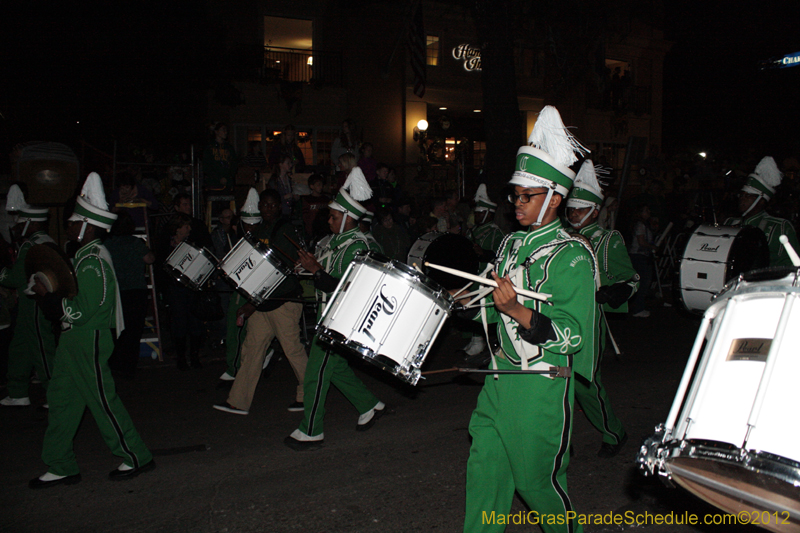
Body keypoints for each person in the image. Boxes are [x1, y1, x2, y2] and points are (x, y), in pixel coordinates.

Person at [462, 106, 595, 533]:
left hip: (540, 387)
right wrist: (467, 299)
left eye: (526, 196)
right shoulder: (509, 244)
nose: (515, 204)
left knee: (537, 486)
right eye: (514, 195)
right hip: (499, 381)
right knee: (484, 479)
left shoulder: (571, 255)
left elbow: (573, 335)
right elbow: (490, 307)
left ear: (554, 198)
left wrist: (517, 310)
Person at [30, 172, 154, 488]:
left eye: (74, 222)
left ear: (87, 225)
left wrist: (50, 297)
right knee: (61, 400)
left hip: (88, 338)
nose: (69, 227)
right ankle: (60, 463)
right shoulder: (84, 257)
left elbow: (83, 310)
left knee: (101, 400)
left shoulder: (93, 261)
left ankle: (136, 454)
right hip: (74, 340)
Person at [285, 166, 386, 451]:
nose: (328, 220)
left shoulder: (359, 248)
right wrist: (307, 268)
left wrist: (315, 270)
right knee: (337, 369)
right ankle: (369, 405)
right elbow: (322, 275)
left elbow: (344, 289)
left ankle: (312, 429)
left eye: (333, 216)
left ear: (347, 219)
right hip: (327, 316)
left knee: (315, 373)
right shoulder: (335, 242)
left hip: (340, 321)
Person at [566, 160, 639, 458]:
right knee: (556, 380)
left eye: (580, 210)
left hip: (590, 317)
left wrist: (616, 289)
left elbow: (631, 279)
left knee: (584, 382)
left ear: (595, 211)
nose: (573, 214)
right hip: (559, 314)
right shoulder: (560, 237)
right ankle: (559, 439)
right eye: (571, 209)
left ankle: (614, 431)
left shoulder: (609, 240)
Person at [213, 188, 309, 415]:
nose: (267, 208)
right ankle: (238, 401)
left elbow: (276, 272)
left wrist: (250, 303)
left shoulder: (285, 230)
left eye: (272, 205)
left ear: (279, 207)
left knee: (292, 350)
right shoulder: (259, 230)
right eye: (264, 205)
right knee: (252, 349)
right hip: (264, 301)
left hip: (283, 300)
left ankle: (309, 395)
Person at [0, 185, 56, 407]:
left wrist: (2, 273)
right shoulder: (45, 241)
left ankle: (53, 393)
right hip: (30, 304)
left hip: (35, 304)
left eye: (21, 222)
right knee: (20, 348)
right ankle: (18, 391)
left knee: (42, 348)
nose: (17, 226)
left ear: (32, 223)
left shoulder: (31, 245)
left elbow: (15, 278)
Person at [104, 212, 156, 381]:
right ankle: (128, 367)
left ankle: (113, 364)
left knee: (115, 329)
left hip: (116, 291)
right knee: (133, 331)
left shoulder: (108, 244)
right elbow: (149, 259)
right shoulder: (136, 243)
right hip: (136, 291)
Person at [217, 191, 261, 383]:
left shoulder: (260, 240)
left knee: (238, 330)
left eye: (253, 225)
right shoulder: (236, 242)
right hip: (241, 289)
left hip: (251, 291)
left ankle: (235, 368)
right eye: (247, 224)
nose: (250, 228)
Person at [724, 156, 800, 267]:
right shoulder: (729, 223)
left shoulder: (780, 227)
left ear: (761, 201)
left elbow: (791, 264)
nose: (742, 198)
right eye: (742, 195)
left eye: (748, 196)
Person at [460, 184, 505, 359]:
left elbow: (498, 256)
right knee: (470, 305)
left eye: (480, 213)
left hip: (485, 277)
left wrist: (483, 253)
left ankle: (481, 340)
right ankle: (475, 338)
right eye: (476, 212)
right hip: (472, 275)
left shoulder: (496, 233)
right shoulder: (474, 231)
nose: (477, 215)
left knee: (482, 307)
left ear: (489, 214)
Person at [627, 204, 657, 318]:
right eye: (646, 211)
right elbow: (641, 241)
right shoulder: (640, 225)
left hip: (640, 256)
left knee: (641, 282)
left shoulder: (645, 224)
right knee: (643, 282)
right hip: (639, 256)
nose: (648, 212)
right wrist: (652, 247)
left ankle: (637, 306)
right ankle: (638, 309)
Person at [203, 122, 238, 193]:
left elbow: (234, 163)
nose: (225, 132)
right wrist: (218, 178)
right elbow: (207, 165)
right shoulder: (209, 147)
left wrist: (228, 177)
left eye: (226, 130)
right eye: (223, 130)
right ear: (216, 132)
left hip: (227, 183)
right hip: (214, 183)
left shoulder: (229, 147)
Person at [300, 173, 330, 241]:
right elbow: (305, 217)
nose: (321, 187)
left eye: (321, 185)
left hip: (325, 231)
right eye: (318, 185)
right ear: (312, 186)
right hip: (312, 231)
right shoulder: (308, 200)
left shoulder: (325, 199)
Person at [268, 155, 297, 219]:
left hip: (289, 212)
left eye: (291, 163)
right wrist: (285, 197)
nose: (290, 165)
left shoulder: (288, 179)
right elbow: (272, 199)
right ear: (281, 164)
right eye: (288, 163)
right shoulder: (274, 181)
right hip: (280, 213)